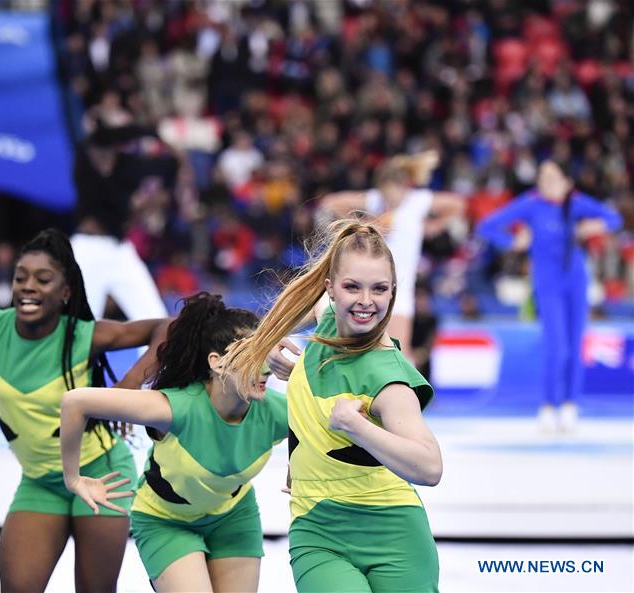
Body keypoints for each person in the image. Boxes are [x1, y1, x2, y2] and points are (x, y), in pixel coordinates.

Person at [0, 228, 169, 593]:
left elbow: (167, 327)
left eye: (43, 279)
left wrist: (128, 387)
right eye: (21, 278)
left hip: (102, 475)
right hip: (40, 482)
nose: (28, 286)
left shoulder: (82, 336)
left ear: (65, 293)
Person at [223, 219, 443, 593]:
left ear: (393, 293)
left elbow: (430, 467)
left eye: (379, 289)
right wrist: (273, 349)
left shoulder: (389, 376)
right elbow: (301, 304)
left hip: (395, 534)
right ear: (331, 288)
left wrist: (360, 427)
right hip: (316, 530)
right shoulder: (329, 320)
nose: (366, 301)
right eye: (352, 287)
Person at [60, 292, 288, 593]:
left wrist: (295, 460)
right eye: (251, 354)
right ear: (216, 363)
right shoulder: (175, 407)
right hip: (165, 520)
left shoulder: (276, 409)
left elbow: (330, 420)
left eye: (265, 351)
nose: (264, 366)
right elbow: (75, 402)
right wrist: (73, 478)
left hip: (234, 517)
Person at [477, 159, 621, 432]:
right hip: (547, 283)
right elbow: (487, 225)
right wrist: (513, 241)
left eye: (553, 178)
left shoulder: (575, 203)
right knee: (557, 347)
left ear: (566, 182)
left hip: (576, 281)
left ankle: (570, 406)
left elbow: (615, 218)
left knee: (576, 345)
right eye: (543, 177)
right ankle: (547, 405)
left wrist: (593, 227)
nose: (547, 183)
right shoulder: (530, 204)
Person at [319, 151, 464, 353]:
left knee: (398, 351)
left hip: (402, 288)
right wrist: (364, 224)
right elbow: (330, 202)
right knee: (363, 347)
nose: (387, 200)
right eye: (384, 194)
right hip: (371, 285)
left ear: (404, 187)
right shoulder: (375, 200)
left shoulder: (418, 201)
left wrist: (434, 225)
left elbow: (457, 204)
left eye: (391, 195)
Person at [71, 118, 178, 321]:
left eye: (108, 152)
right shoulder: (83, 165)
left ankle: (156, 353)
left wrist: (158, 137)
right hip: (86, 248)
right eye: (98, 152)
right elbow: (101, 138)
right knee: (79, 323)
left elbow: (171, 165)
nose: (103, 159)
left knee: (154, 318)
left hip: (119, 248)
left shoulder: (126, 166)